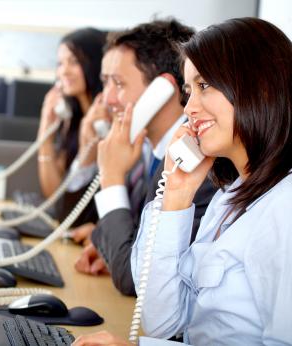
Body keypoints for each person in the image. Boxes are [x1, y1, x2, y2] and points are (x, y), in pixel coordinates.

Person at [73, 17, 292, 345]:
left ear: (259, 86)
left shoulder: (284, 209)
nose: (188, 108)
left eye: (204, 86)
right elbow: (161, 323)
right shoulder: (228, 199)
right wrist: (176, 195)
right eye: (188, 91)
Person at [73, 20, 216, 296]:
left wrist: (112, 179)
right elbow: (126, 242)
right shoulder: (147, 153)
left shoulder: (197, 165)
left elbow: (133, 278)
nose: (107, 99)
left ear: (160, 91)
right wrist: (112, 249)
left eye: (118, 83)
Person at [36, 27, 106, 226]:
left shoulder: (104, 123)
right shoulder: (72, 119)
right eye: (60, 63)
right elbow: (54, 195)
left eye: (74, 62)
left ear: (95, 64)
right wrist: (45, 132)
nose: (63, 71)